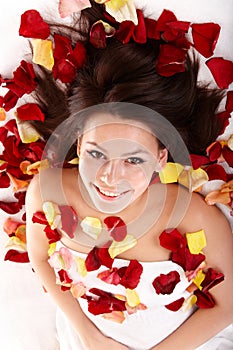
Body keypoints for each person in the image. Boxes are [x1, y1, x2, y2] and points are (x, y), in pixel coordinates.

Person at [1, 1, 233, 349]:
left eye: (133, 161)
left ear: (160, 158)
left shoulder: (193, 217)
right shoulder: (47, 190)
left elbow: (227, 306)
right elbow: (39, 259)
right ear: (78, 144)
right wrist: (89, 336)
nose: (110, 178)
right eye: (97, 153)